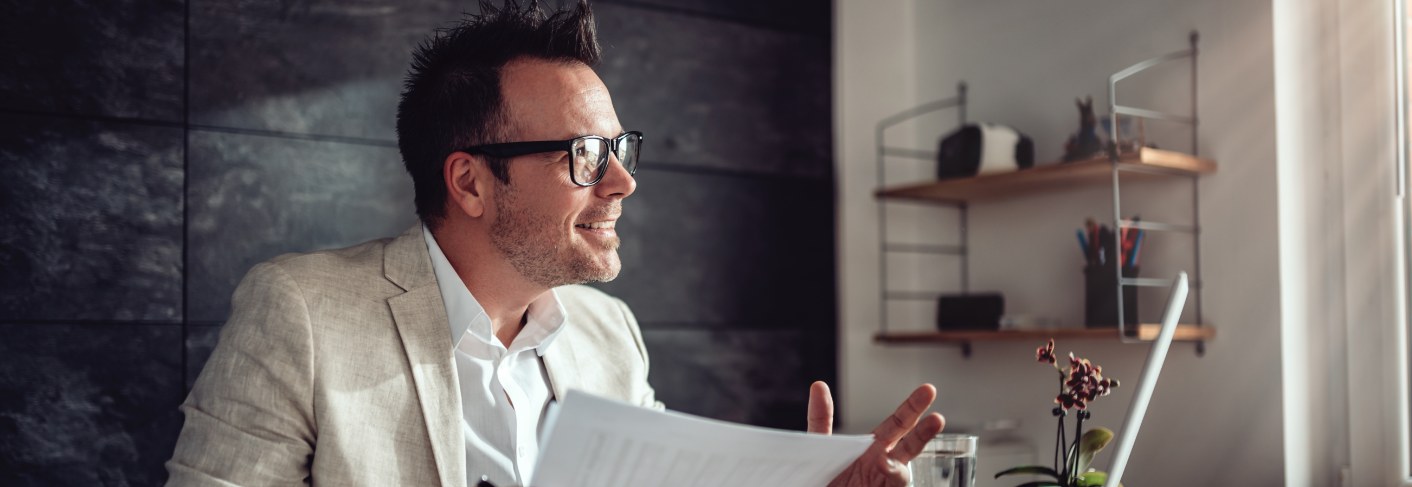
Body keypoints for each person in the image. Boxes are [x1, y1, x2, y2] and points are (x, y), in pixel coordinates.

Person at [165, 2, 943, 486]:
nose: (622, 183)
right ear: (470, 182)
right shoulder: (302, 313)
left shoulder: (609, 335)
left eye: (621, 149)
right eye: (582, 155)